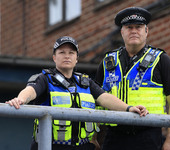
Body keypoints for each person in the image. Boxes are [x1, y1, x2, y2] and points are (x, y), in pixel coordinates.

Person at [6, 36, 148, 150]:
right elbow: (31, 90)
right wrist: (20, 100)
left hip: (83, 146)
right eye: (62, 52)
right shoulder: (44, 78)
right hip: (51, 146)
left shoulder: (86, 81)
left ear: (77, 58)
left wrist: (129, 108)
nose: (67, 56)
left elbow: (105, 98)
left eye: (71, 53)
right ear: (54, 57)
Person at [95, 7, 170, 150]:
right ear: (122, 32)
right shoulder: (107, 62)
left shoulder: (161, 59)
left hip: (148, 135)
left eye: (139, 27)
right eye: (129, 27)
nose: (134, 31)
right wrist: (93, 138)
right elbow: (95, 101)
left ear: (146, 31)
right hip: (114, 137)